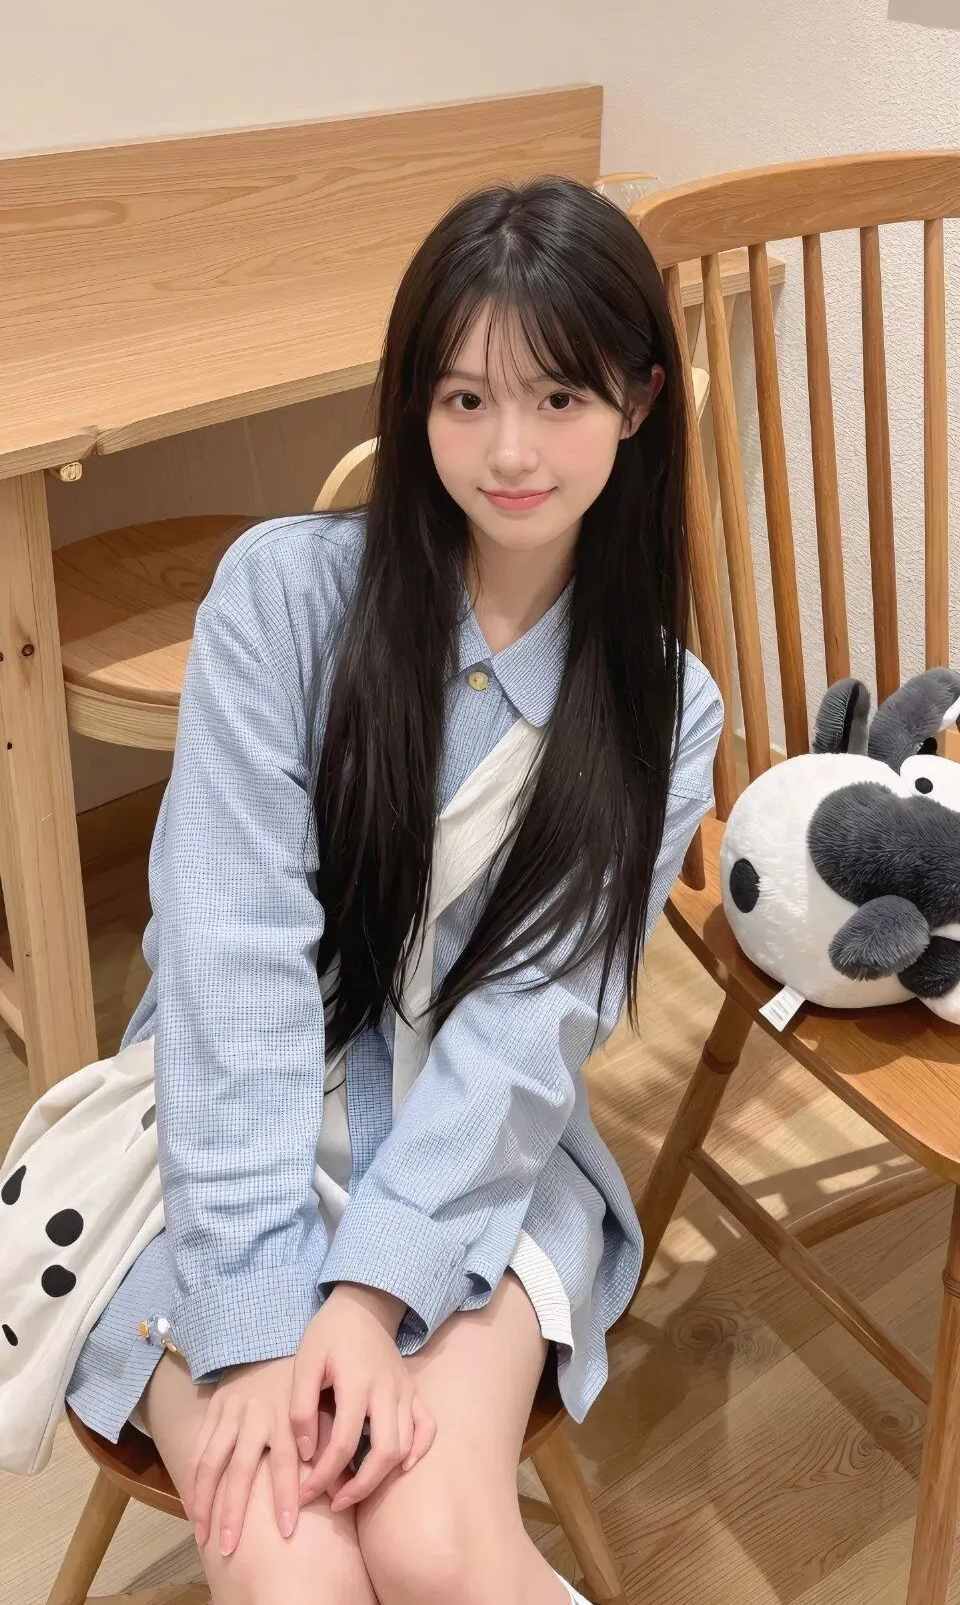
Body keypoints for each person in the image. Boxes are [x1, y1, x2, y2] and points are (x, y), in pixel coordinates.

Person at [66, 177, 723, 1604]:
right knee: (288, 1557)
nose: (510, 451)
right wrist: (254, 1322)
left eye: (560, 398)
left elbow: (533, 1029)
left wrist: (368, 1296)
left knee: (434, 1540)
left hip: (473, 1152)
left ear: (639, 401)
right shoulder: (285, 599)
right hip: (220, 1142)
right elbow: (230, 958)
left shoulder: (664, 708)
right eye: (464, 399)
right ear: (415, 401)